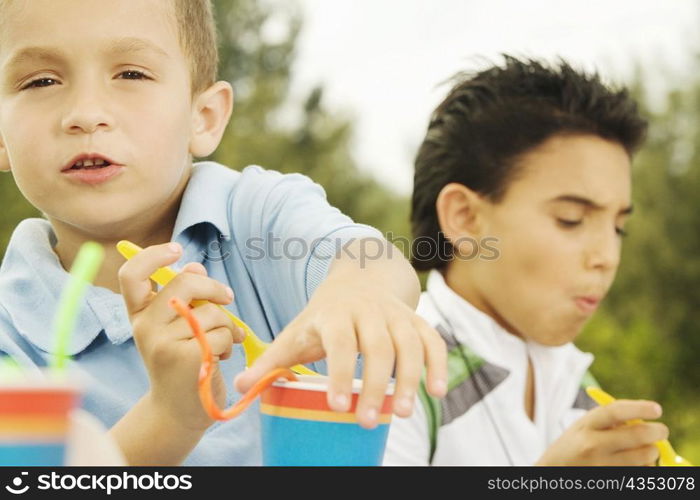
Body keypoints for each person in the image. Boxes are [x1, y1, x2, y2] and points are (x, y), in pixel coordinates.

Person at [0, 0, 447, 465]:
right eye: (41, 81)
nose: (86, 113)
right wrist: (172, 415)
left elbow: (371, 259)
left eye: (131, 74)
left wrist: (356, 293)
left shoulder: (257, 211)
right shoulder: (10, 332)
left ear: (205, 117)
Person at [383, 56, 669, 466]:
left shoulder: (573, 380)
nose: (607, 257)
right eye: (571, 220)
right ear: (464, 218)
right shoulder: (390, 376)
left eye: (618, 227)